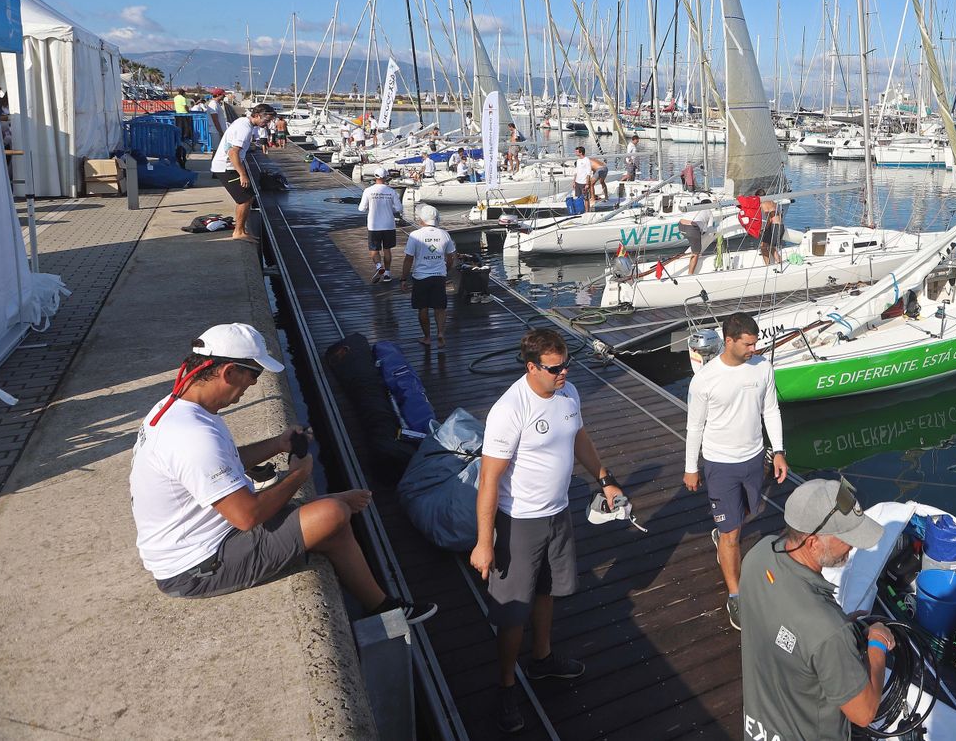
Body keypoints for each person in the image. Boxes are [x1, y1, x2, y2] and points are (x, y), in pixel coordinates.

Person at [129, 323, 435, 622]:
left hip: (204, 538)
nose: (251, 387)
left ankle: (382, 607)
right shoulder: (194, 436)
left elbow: (223, 461)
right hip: (196, 566)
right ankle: (380, 602)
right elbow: (246, 516)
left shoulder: (176, 408)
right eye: (253, 375)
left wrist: (278, 443)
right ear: (228, 372)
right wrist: (298, 476)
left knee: (333, 522)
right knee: (333, 513)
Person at [471, 329, 625, 734]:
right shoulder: (510, 409)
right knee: (511, 611)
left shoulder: (568, 393)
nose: (564, 373)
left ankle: (542, 660)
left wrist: (604, 478)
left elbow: (578, 437)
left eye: (565, 365)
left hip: (558, 514)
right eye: (555, 368)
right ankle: (506, 687)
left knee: (547, 591)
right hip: (518, 521)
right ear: (531, 367)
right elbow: (488, 480)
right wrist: (484, 542)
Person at [739, 478, 892, 741]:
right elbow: (864, 713)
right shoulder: (827, 630)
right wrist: (877, 644)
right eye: (846, 539)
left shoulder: (758, 555)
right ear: (812, 543)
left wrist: (841, 628)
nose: (852, 547)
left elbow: (786, 622)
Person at [685, 311, 787, 629]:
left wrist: (779, 452)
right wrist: (691, 467)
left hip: (754, 459)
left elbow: (771, 409)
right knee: (732, 536)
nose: (753, 349)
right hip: (720, 464)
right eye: (748, 344)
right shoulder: (704, 379)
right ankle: (735, 595)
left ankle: (724, 532)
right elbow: (695, 426)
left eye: (756, 344)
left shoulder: (763, 369)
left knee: (745, 516)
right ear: (728, 341)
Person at [210, 103, 276, 243]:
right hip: (226, 167)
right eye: (267, 120)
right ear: (258, 115)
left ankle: (241, 230)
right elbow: (233, 152)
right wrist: (243, 174)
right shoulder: (244, 128)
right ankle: (238, 232)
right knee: (245, 198)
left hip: (228, 165)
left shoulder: (243, 122)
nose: (268, 123)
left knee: (248, 197)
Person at [401, 205, 457, 348]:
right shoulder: (444, 234)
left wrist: (403, 278)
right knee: (440, 308)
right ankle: (440, 333)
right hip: (439, 276)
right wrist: (446, 269)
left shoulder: (415, 235)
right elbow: (451, 257)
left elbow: (408, 259)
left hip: (421, 277)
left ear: (421, 219)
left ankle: (427, 337)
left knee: (423, 308)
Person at [358, 172, 404, 283]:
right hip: (389, 225)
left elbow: (361, 208)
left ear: (375, 177)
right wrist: (389, 208)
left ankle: (379, 267)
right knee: (387, 249)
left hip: (374, 225)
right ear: (386, 177)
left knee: (374, 249)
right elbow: (399, 208)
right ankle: (387, 274)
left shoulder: (368, 191)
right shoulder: (391, 191)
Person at [677, 199, 716, 275]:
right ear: (710, 206)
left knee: (694, 240)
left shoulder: (694, 207)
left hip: (680, 226)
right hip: (692, 229)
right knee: (696, 254)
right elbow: (710, 229)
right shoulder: (709, 212)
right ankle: (690, 274)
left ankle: (692, 250)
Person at [759, 192, 785, 266]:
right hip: (781, 226)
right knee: (771, 246)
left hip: (774, 226)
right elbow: (781, 215)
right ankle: (779, 262)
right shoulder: (774, 203)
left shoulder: (763, 204)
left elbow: (769, 219)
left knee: (763, 247)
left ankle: (768, 265)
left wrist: (765, 229)